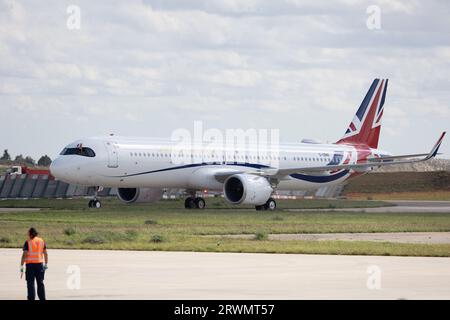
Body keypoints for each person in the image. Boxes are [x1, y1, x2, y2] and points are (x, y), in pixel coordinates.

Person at [20, 227, 48, 300]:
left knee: (30, 283)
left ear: (30, 234)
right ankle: (42, 298)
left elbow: (24, 254)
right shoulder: (41, 241)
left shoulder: (28, 242)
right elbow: (45, 253)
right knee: (40, 283)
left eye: (28, 233)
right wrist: (46, 264)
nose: (27, 234)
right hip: (40, 265)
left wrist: (21, 265)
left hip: (30, 266)